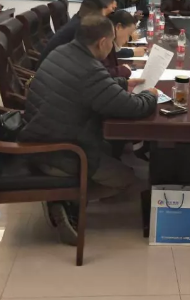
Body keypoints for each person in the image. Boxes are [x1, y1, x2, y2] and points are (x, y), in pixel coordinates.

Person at [20, 15, 158, 244]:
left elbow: (91, 88)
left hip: (39, 138)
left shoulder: (62, 52)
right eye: (112, 42)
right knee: (127, 179)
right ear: (103, 42)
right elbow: (134, 107)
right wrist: (150, 95)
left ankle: (63, 197)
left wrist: (123, 84)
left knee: (113, 153)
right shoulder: (90, 69)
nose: (112, 47)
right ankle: (65, 197)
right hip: (62, 152)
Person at [39, 0, 106, 65]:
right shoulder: (80, 29)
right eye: (100, 17)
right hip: (51, 67)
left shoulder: (76, 21)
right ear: (91, 15)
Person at [102, 11, 138, 78]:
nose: (127, 40)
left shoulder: (111, 44)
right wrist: (124, 70)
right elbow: (103, 75)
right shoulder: (104, 44)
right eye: (128, 34)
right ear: (119, 27)